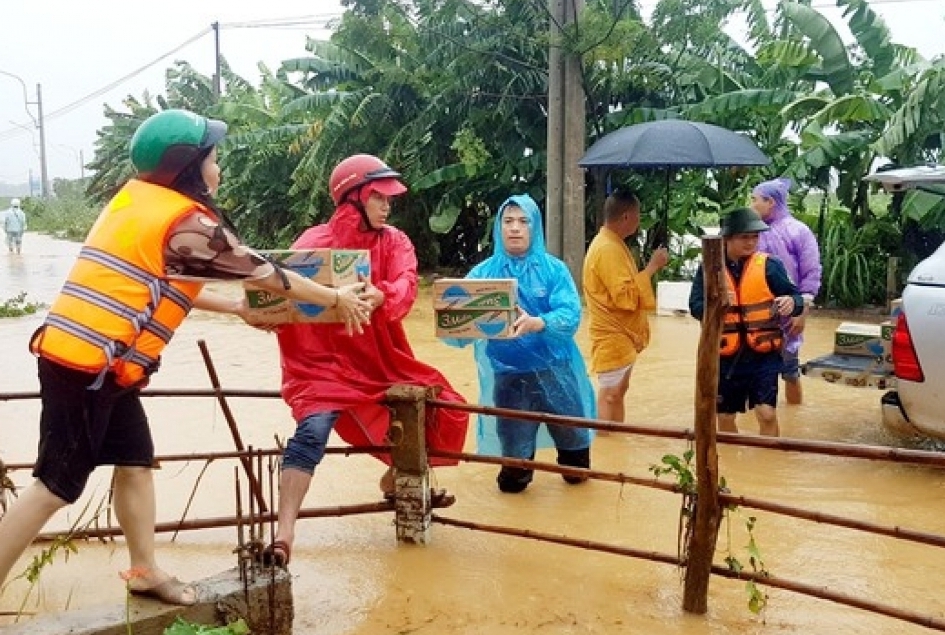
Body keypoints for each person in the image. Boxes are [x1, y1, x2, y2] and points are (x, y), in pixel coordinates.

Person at [0, 109, 372, 607]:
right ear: (188, 167)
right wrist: (335, 298)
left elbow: (169, 286)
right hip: (85, 367)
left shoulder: (138, 204)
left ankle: (144, 570)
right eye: (213, 158)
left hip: (103, 366)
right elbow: (263, 272)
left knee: (134, 462)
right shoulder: (184, 221)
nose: (219, 168)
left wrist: (237, 308)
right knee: (55, 485)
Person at [266, 154, 469, 567]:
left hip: (379, 358)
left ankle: (397, 479)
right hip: (319, 363)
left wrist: (384, 295)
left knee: (443, 405)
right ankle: (283, 533)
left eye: (388, 198)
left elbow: (406, 282)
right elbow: (277, 294)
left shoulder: (394, 241)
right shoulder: (312, 245)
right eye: (378, 196)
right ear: (353, 197)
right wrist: (261, 314)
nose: (387, 205)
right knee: (312, 432)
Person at [443, 193, 596, 493]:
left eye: (523, 221)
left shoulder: (554, 270)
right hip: (509, 377)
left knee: (576, 470)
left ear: (535, 227)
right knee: (513, 481)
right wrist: (463, 325)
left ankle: (573, 462)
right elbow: (455, 326)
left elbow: (571, 315)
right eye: (508, 221)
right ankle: (517, 469)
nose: (515, 228)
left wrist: (539, 323)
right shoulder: (483, 274)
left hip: (556, 373)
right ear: (499, 227)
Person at [688, 207, 804, 437]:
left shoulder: (770, 266)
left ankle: (769, 464)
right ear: (728, 238)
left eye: (755, 237)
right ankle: (732, 465)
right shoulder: (711, 268)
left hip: (763, 355)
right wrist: (716, 305)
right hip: (725, 356)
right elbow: (695, 306)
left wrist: (792, 302)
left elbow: (796, 297)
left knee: (766, 413)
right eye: (744, 237)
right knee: (725, 417)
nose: (751, 242)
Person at [582, 189, 669, 432]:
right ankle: (605, 446)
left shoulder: (613, 243)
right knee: (610, 394)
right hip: (612, 333)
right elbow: (625, 298)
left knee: (618, 392)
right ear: (627, 217)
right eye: (638, 215)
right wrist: (652, 267)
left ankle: (615, 442)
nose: (639, 220)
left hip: (621, 333)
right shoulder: (607, 249)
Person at [750, 178, 822, 405]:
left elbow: (811, 273)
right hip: (755, 313)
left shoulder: (798, 231)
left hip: (789, 312)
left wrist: (802, 312)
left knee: (790, 371)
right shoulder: (753, 232)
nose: (751, 205)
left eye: (754, 200)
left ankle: (793, 416)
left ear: (769, 202)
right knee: (753, 373)